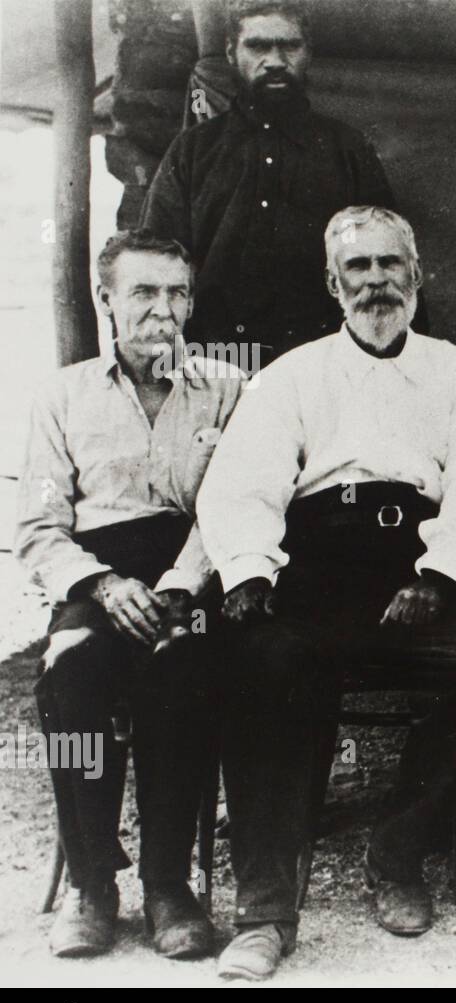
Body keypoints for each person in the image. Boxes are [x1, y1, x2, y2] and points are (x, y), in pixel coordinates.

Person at [195, 206, 456, 980]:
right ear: (333, 285)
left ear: (417, 275)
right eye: (357, 269)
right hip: (314, 562)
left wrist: (437, 577)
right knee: (260, 664)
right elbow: (243, 483)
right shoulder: (291, 376)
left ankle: (397, 850)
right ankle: (266, 912)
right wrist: (248, 570)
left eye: (389, 265)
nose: (375, 283)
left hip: (416, 566)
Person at [16, 231, 243, 959]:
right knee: (70, 674)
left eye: (177, 293)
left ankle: (169, 882)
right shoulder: (62, 396)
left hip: (187, 571)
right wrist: (104, 584)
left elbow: (232, 506)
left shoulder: (229, 388)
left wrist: (179, 585)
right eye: (144, 292)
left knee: (183, 672)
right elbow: (40, 525)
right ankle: (92, 881)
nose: (162, 311)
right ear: (105, 298)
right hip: (95, 574)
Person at [141, 0, 418, 365]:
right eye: (257, 46)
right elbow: (153, 263)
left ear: (308, 53)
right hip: (215, 363)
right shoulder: (192, 152)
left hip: (326, 363)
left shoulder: (346, 149)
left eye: (289, 46)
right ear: (230, 52)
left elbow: (392, 260)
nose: (274, 60)